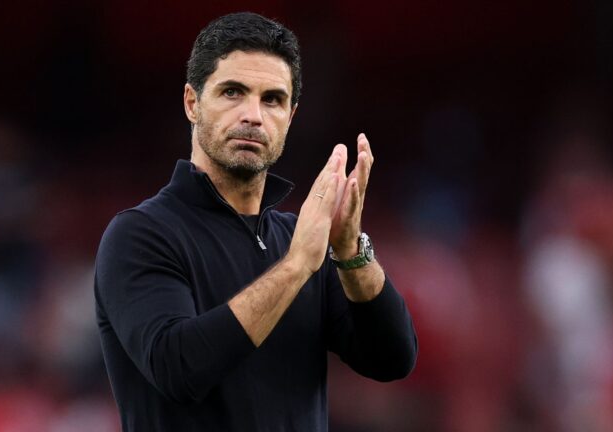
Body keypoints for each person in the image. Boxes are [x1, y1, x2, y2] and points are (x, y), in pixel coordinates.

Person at [94, 12, 417, 431]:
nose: (253, 115)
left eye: (272, 99)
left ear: (291, 116)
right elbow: (177, 368)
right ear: (192, 103)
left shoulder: (301, 240)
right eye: (233, 92)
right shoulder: (141, 234)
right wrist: (295, 267)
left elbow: (393, 359)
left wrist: (350, 250)